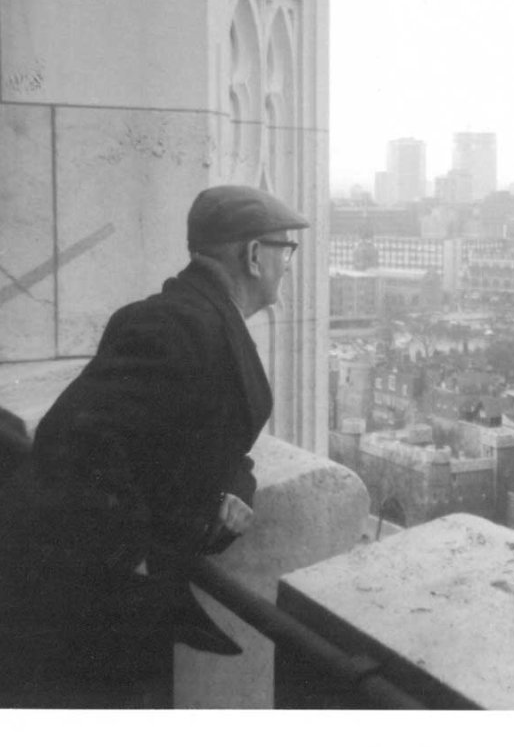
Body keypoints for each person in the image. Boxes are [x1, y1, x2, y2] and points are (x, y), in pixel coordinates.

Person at [0, 185, 309, 708]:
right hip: (90, 605)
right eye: (286, 250)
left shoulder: (198, 319)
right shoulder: (172, 324)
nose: (289, 265)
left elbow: (200, 436)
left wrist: (233, 486)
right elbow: (73, 442)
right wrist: (132, 558)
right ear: (254, 256)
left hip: (115, 601)